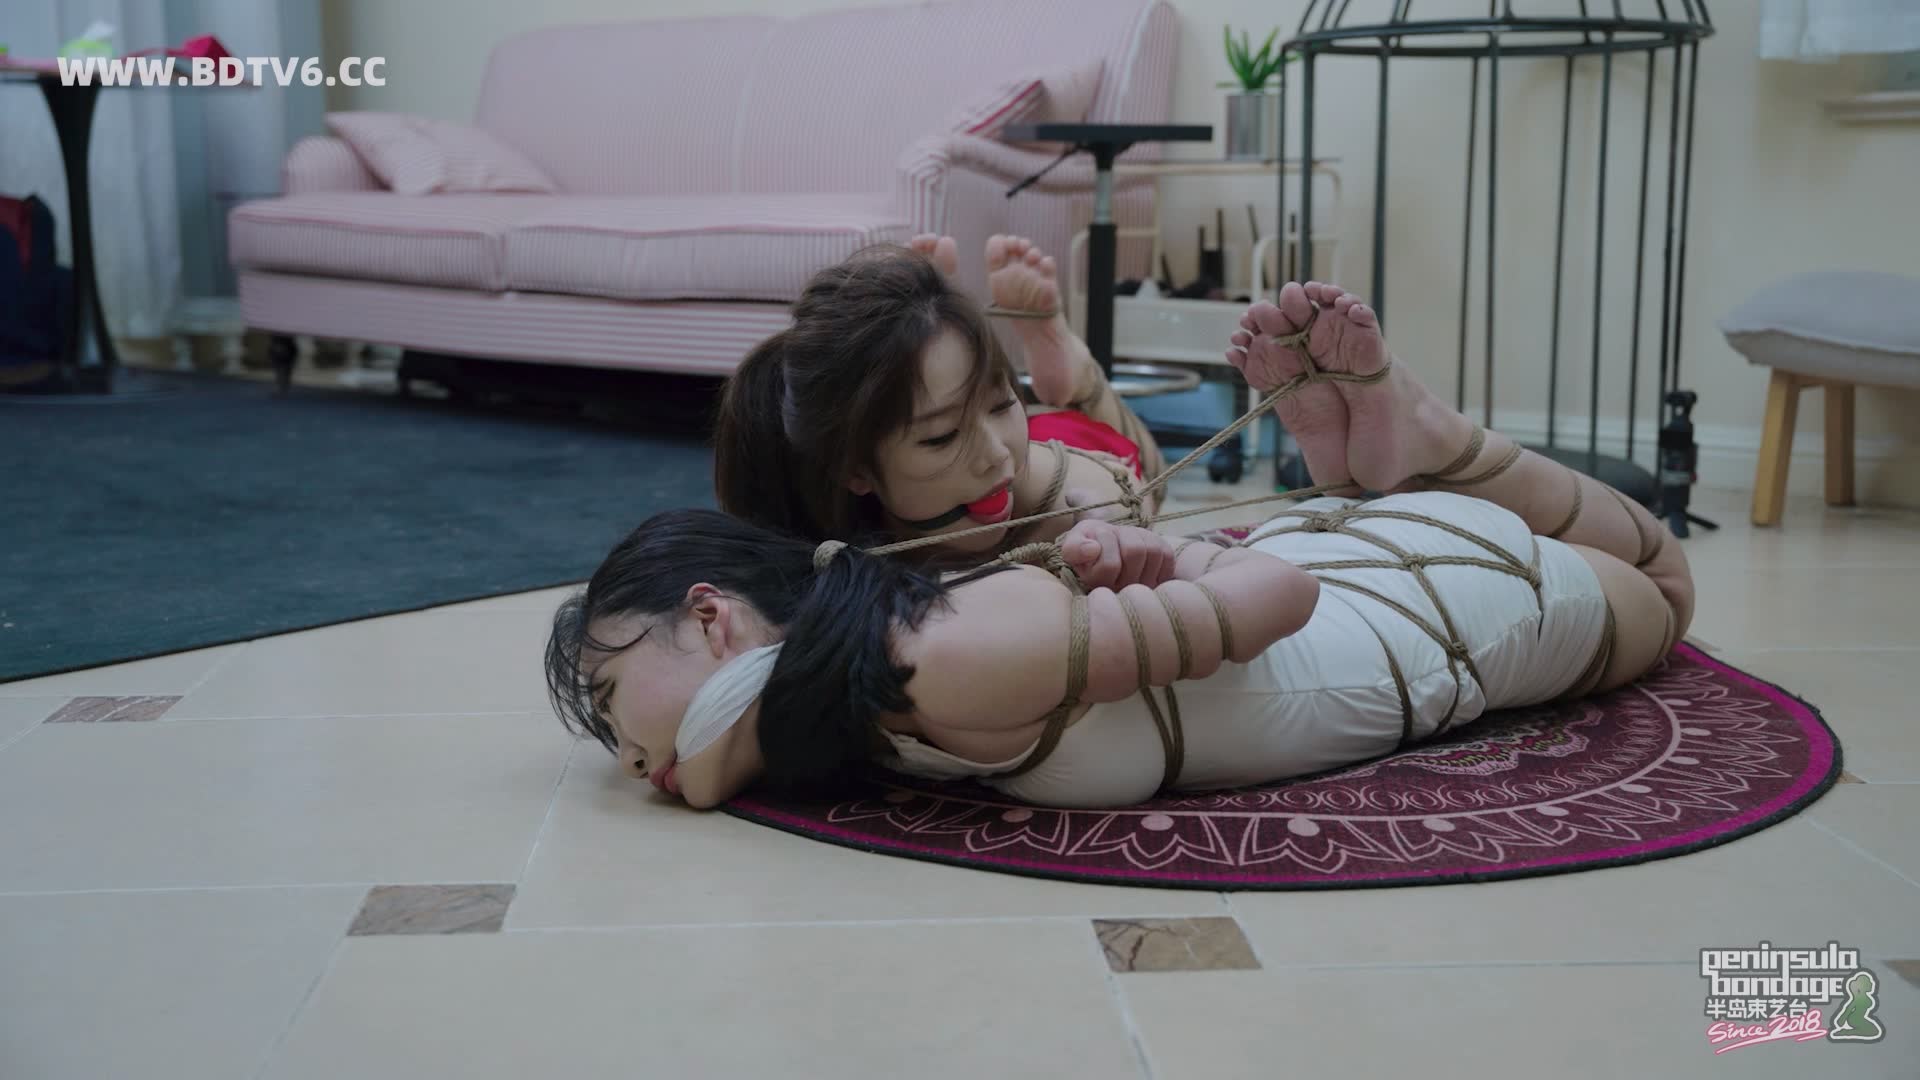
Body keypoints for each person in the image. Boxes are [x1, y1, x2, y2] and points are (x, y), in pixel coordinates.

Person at [544, 280, 1695, 809]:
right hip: (1359, 572)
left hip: (1421, 610)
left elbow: (1273, 593)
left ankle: (1436, 442)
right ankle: (1399, 466)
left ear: (711, 614)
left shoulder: (929, 652)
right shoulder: (864, 666)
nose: (626, 759)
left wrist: (1169, 562)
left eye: (608, 703)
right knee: (1647, 576)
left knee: (1666, 585)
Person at [713, 234, 1164, 559]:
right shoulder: (815, 525)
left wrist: (1115, 539)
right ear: (855, 471)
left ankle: (1076, 374)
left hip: (1068, 442)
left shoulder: (1070, 503)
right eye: (941, 437)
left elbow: (1133, 499)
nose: (994, 454)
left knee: (1151, 474)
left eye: (1002, 401)